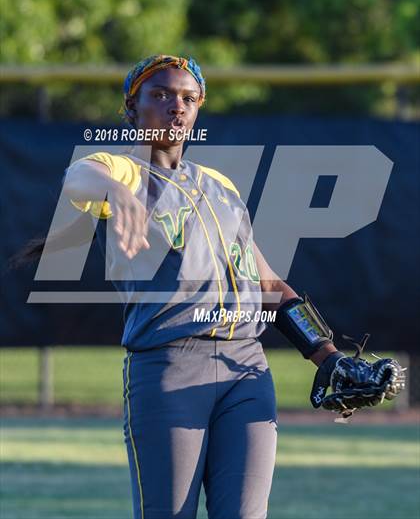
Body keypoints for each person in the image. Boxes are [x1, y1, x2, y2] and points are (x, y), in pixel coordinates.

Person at [18, 55, 404, 519]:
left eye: (188, 97)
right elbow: (78, 179)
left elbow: (268, 284)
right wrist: (117, 192)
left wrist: (328, 356)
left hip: (246, 370)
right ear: (132, 108)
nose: (175, 106)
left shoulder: (218, 185)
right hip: (168, 366)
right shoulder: (119, 170)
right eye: (159, 95)